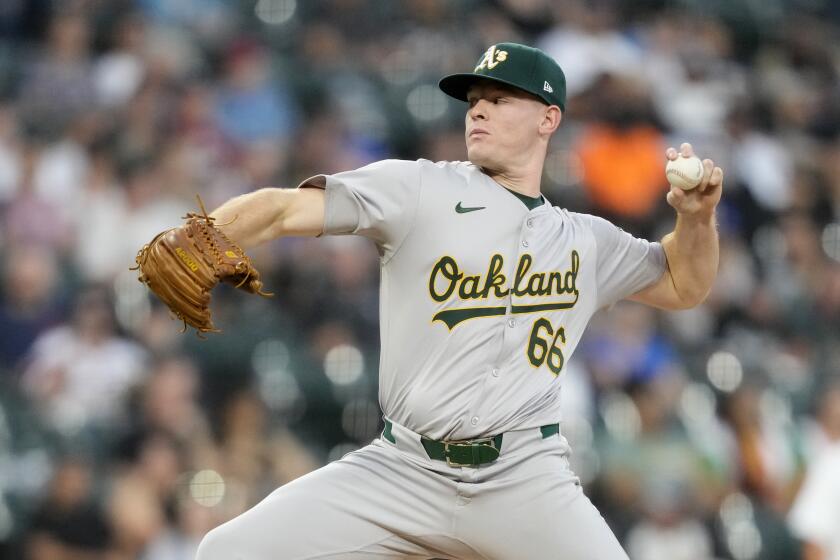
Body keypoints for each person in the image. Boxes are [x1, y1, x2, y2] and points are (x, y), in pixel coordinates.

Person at [194, 43, 723, 559]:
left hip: (524, 477)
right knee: (228, 550)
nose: (479, 111)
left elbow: (684, 284)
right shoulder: (419, 188)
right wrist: (199, 240)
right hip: (403, 470)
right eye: (474, 101)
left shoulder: (586, 240)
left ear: (549, 118)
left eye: (500, 99)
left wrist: (696, 219)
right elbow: (285, 210)